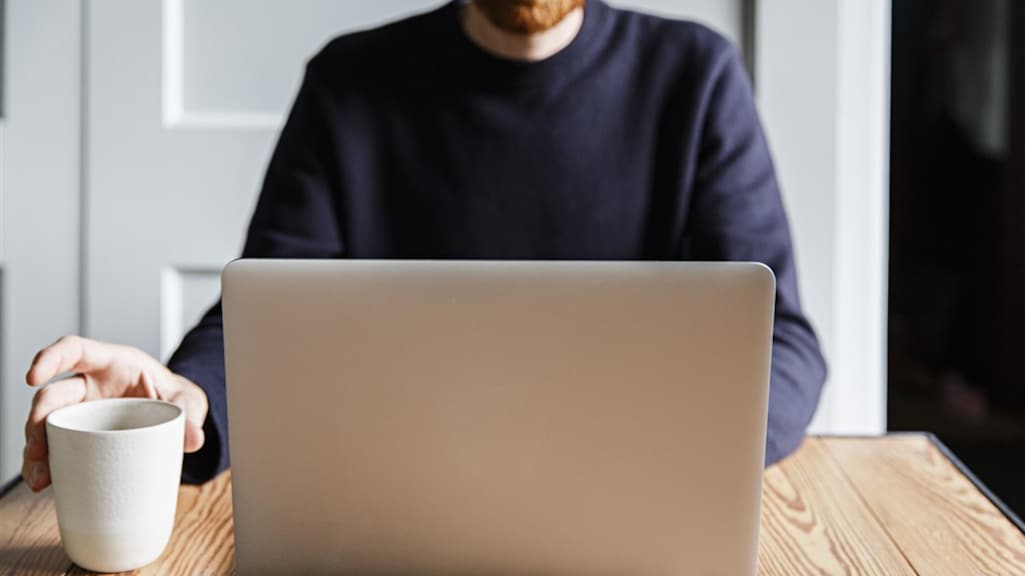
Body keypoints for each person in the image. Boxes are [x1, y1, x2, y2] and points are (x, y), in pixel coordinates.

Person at [22, 0, 826, 490]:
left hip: (635, 507)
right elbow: (269, 318)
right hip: (391, 511)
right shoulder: (349, 83)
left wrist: (658, 459)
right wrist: (184, 401)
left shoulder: (694, 77)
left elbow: (779, 345)